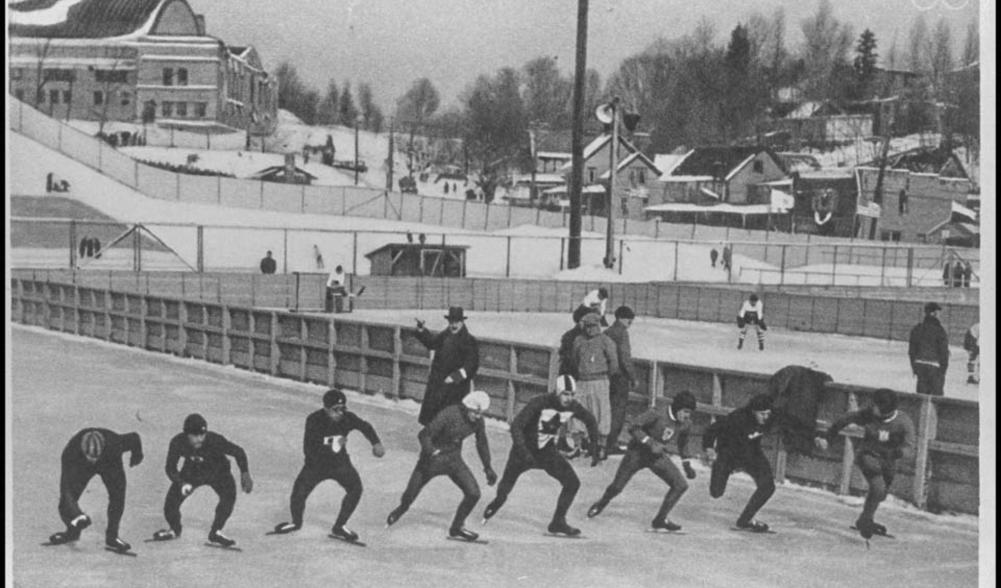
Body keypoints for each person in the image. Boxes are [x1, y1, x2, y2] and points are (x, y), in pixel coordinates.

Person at [482, 375, 600, 536]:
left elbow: (590, 420)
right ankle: (497, 502)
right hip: (523, 451)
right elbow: (516, 426)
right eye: (565, 394)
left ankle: (558, 522)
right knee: (505, 487)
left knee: (572, 483)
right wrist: (523, 451)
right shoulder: (539, 402)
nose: (569, 398)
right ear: (557, 392)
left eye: (572, 394)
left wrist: (594, 445)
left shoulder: (573, 406)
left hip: (546, 452)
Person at [702, 394, 827, 533]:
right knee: (716, 493)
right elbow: (712, 429)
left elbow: (795, 423)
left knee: (768, 486)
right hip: (729, 454)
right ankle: (718, 474)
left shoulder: (773, 415)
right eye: (762, 414)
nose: (766, 417)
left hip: (752, 453)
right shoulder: (737, 418)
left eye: (768, 414)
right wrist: (709, 448)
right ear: (753, 412)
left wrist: (815, 436)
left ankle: (744, 520)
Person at [272, 389, 385, 542]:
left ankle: (340, 526)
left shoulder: (347, 418)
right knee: (299, 492)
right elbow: (308, 448)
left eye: (342, 409)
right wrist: (330, 452)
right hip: (316, 465)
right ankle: (295, 522)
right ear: (326, 409)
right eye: (335, 410)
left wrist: (376, 442)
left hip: (340, 464)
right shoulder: (314, 419)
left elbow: (365, 427)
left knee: (355, 489)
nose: (340, 413)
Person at [386, 391, 496, 541]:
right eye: (476, 413)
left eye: (481, 414)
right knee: (409, 495)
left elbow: (481, 442)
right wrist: (430, 451)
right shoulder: (449, 414)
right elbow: (424, 434)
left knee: (474, 493)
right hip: (432, 461)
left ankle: (456, 528)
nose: (478, 417)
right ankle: (401, 509)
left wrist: (487, 467)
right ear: (466, 408)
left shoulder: (478, 421)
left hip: (453, 460)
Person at [587, 391, 698, 532]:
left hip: (656, 457)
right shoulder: (657, 413)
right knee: (617, 487)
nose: (687, 416)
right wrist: (650, 442)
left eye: (690, 413)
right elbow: (633, 426)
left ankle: (660, 519)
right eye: (685, 411)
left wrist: (686, 464)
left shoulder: (686, 423)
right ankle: (602, 503)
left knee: (680, 485)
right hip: (637, 454)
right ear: (676, 408)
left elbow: (683, 443)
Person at [152, 414, 253, 547]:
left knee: (228, 497)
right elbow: (170, 467)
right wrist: (181, 483)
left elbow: (238, 452)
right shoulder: (177, 442)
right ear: (186, 434)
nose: (199, 439)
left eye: (202, 434)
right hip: (192, 472)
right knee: (170, 505)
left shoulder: (215, 440)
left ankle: (216, 531)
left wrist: (245, 473)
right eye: (195, 435)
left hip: (218, 472)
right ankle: (174, 529)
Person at [826, 389, 915, 539]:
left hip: (888, 461)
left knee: (881, 494)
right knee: (877, 488)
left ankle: (866, 519)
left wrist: (897, 453)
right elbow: (845, 419)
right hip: (868, 455)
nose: (873, 409)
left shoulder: (903, 422)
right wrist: (829, 435)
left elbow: (910, 446)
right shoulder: (868, 415)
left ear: (887, 410)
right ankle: (866, 520)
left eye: (877, 407)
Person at [46, 428, 143, 552]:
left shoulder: (115, 443)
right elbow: (66, 489)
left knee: (118, 496)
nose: (94, 461)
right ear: (82, 449)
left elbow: (134, 438)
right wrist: (77, 514)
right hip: (82, 465)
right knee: (67, 499)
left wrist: (137, 454)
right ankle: (73, 531)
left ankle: (112, 537)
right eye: (90, 456)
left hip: (109, 462)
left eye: (96, 457)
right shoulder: (70, 452)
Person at [414, 306, 480, 426]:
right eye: (451, 322)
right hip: (438, 387)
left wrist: (455, 377)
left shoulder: (470, 341)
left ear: (462, 322)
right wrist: (421, 330)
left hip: (455, 390)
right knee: (433, 424)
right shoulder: (445, 335)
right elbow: (432, 343)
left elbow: (472, 365)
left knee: (451, 425)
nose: (453, 325)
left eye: (456, 322)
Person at [571, 312, 619, 460]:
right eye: (587, 326)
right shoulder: (579, 340)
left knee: (602, 413)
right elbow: (574, 360)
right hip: (582, 381)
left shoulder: (606, 341)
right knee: (578, 413)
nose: (590, 329)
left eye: (593, 326)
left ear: (599, 325)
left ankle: (601, 448)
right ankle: (578, 446)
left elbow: (614, 363)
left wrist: (604, 376)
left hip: (600, 381)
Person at [603, 306, 637, 454]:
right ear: (622, 318)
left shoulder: (607, 332)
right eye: (630, 319)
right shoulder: (622, 333)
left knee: (606, 410)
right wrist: (633, 377)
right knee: (618, 412)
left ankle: (603, 442)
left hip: (606, 376)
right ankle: (611, 444)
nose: (631, 322)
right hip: (620, 378)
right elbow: (625, 358)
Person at [908, 302, 949, 396]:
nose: (940, 316)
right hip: (935, 367)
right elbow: (943, 352)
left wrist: (914, 367)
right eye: (938, 313)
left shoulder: (917, 328)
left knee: (921, 396)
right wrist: (943, 370)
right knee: (936, 397)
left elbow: (911, 350)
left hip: (920, 365)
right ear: (933, 313)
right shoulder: (940, 330)